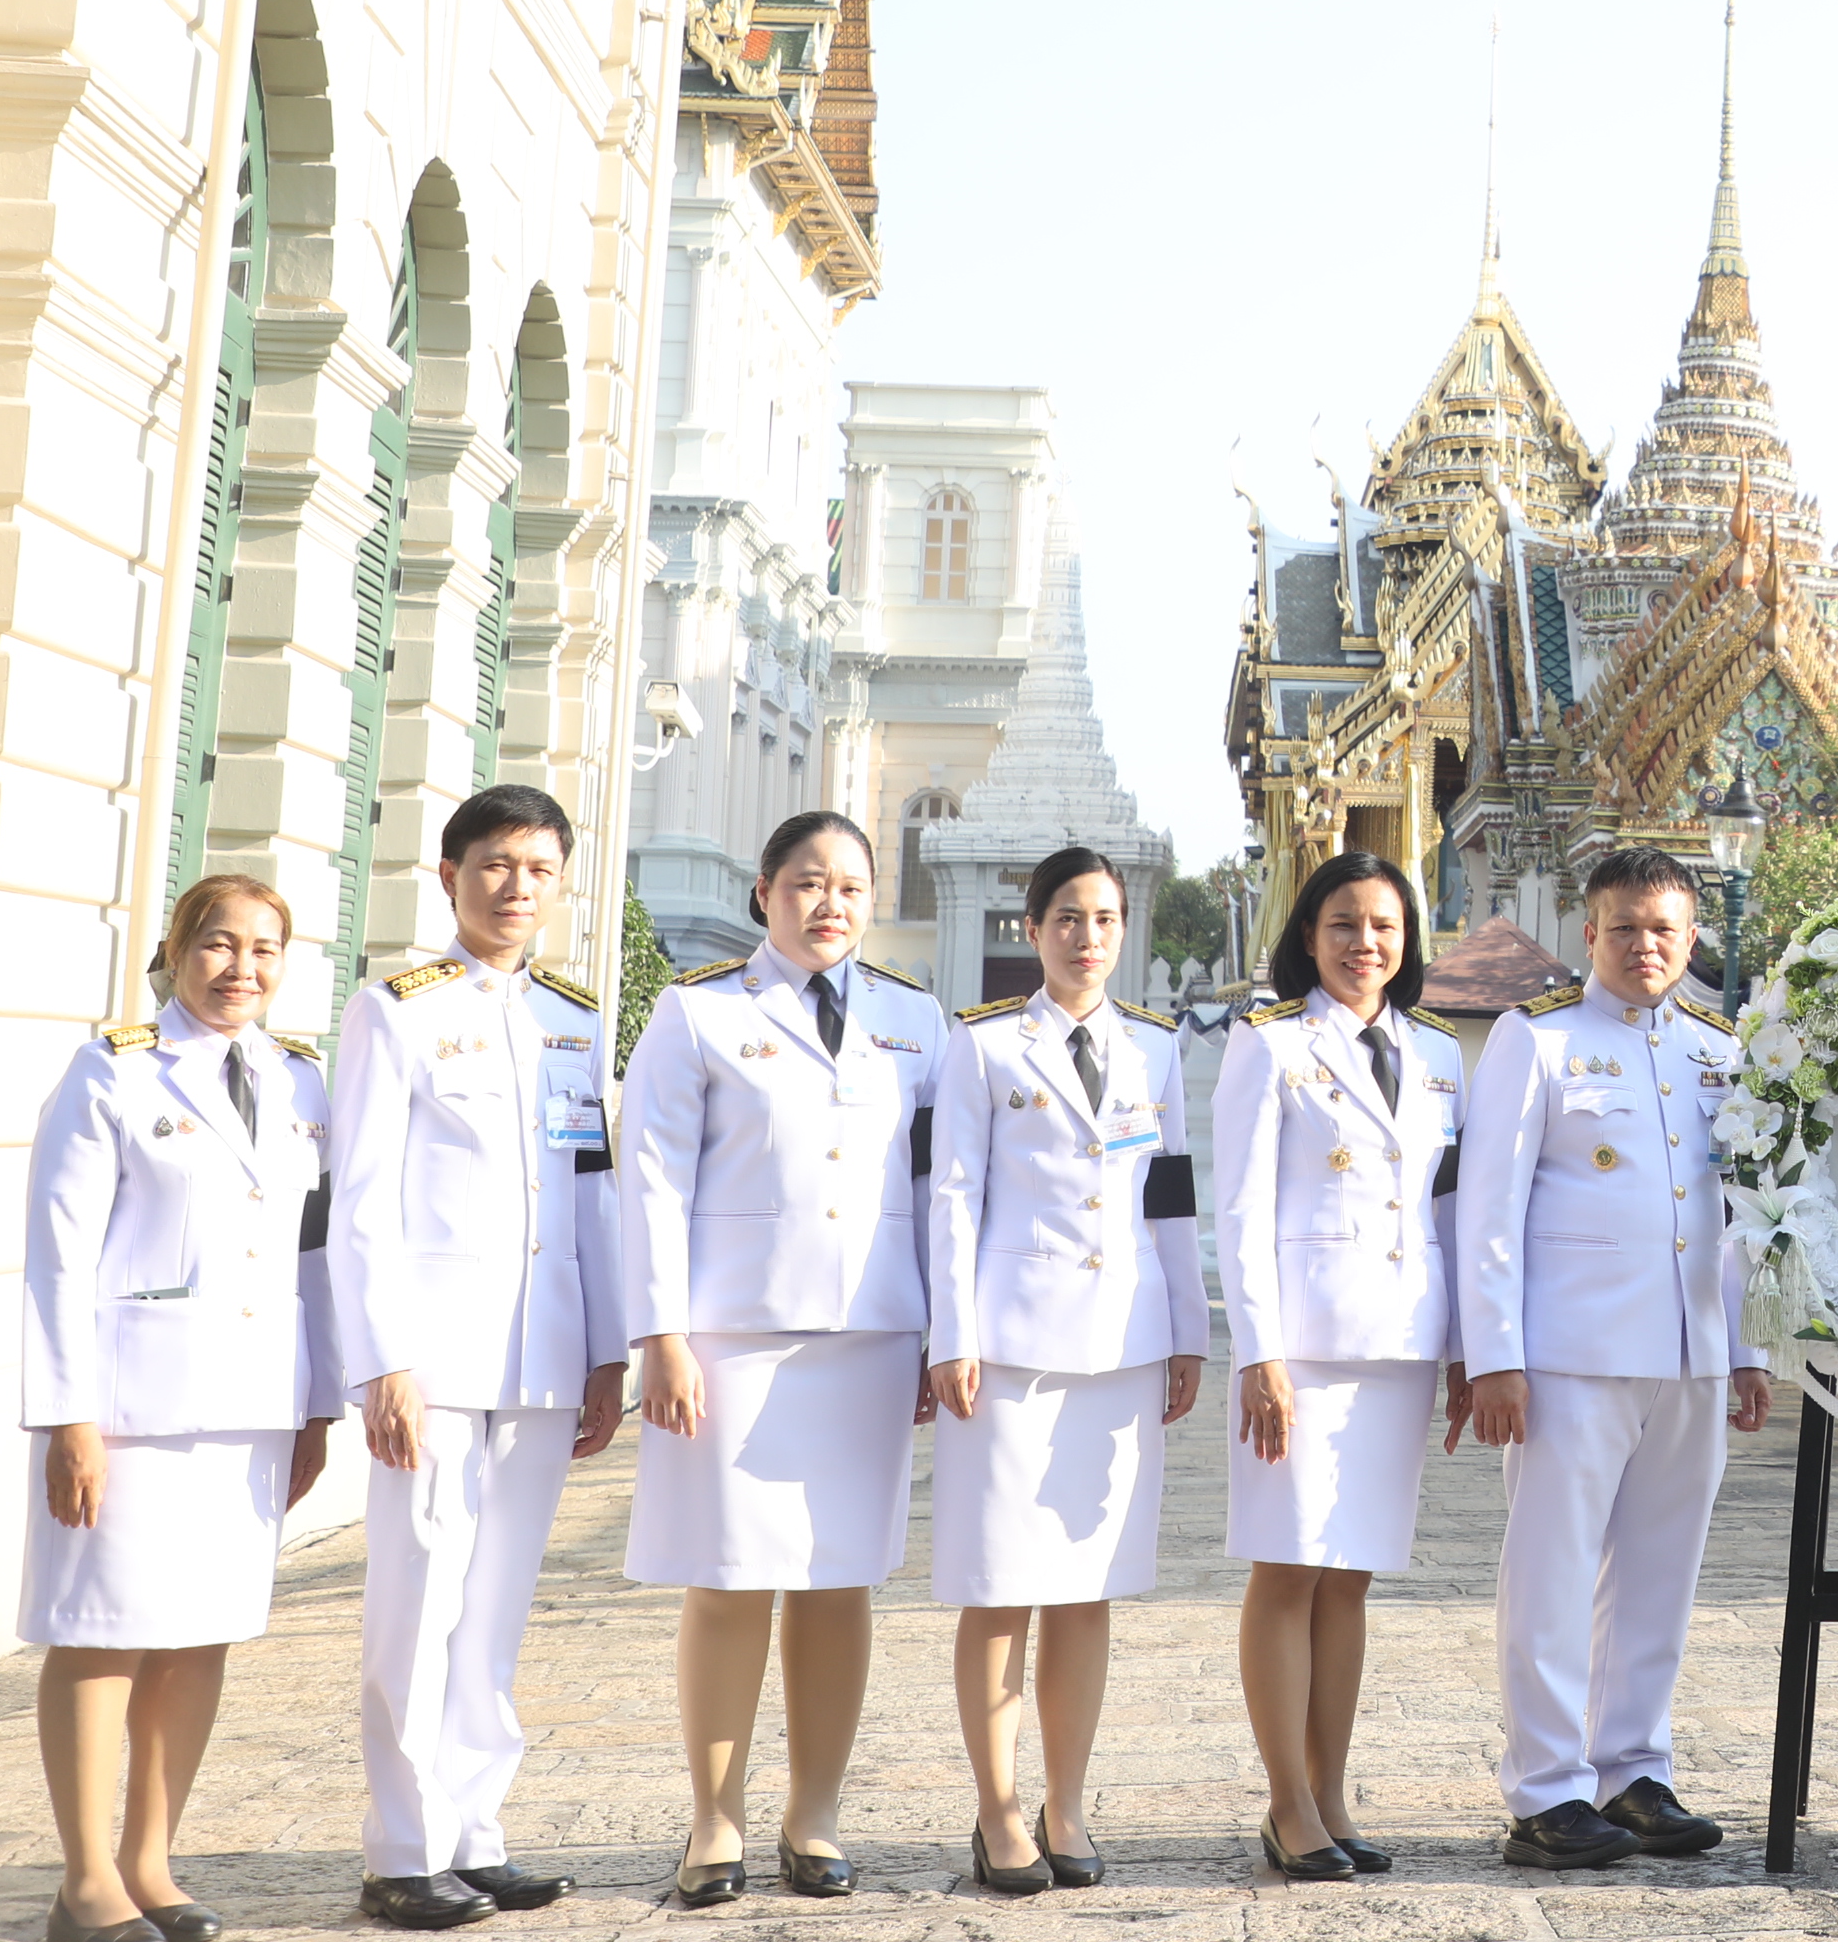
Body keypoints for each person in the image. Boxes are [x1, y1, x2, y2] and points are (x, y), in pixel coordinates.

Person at [617, 812, 945, 1903]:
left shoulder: (914, 1019)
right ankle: (714, 1821)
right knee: (728, 1579)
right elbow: (652, 1180)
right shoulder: (698, 1013)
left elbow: (945, 1191)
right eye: (808, 882)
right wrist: (659, 1333)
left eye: (850, 885)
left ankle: (814, 1817)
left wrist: (948, 1335)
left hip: (870, 1336)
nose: (831, 904)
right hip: (734, 1338)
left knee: (838, 1580)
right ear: (766, 892)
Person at [325, 785, 630, 1928]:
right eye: (496, 865)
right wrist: (382, 1361)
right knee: (417, 1600)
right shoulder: (394, 1010)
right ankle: (402, 1853)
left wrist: (606, 1351)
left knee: (495, 1607)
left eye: (540, 868)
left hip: (545, 1353)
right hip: (436, 1363)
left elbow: (590, 1194)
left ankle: (474, 1832)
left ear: (560, 885)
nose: (517, 887)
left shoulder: (572, 1017)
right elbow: (360, 1203)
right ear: (451, 875)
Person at [20, 876, 341, 1942]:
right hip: (129, 1413)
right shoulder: (109, 1070)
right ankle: (84, 1882)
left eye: (264, 948)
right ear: (175, 949)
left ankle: (150, 1862)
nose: (241, 968)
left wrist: (317, 1406)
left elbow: (313, 1255)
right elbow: (56, 1257)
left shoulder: (300, 1082)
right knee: (102, 1636)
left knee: (200, 1636)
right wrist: (68, 1416)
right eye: (217, 944)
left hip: (251, 1405)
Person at [1458, 847, 1771, 1870]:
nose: (1646, 946)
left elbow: (1740, 1216)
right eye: (1626, 927)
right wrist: (1493, 1355)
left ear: (1691, 940)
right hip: (1571, 1356)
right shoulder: (1536, 1040)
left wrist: (1750, 1345)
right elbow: (1489, 1211)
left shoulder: (1718, 1051)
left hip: (1691, 1351)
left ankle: (1633, 1770)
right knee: (1550, 1574)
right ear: (1591, 933)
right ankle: (1547, 1790)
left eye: (1666, 930)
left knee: (1659, 1573)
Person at [927, 846, 1209, 1895]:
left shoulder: (1156, 1050)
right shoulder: (987, 1047)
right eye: (1066, 919)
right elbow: (951, 1199)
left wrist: (1187, 1328)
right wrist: (949, 1334)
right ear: (1031, 929)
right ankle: (999, 1809)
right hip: (1008, 1351)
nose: (1086, 938)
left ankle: (1066, 1799)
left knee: (1089, 1590)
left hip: (1122, 1345)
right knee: (1001, 1588)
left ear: (1124, 930)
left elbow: (1169, 1196)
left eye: (1104, 919)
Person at [1214, 852, 1464, 1881]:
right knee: (1288, 1570)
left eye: (1385, 926)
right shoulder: (1270, 1045)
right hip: (1306, 1346)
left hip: (1400, 1343)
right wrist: (1259, 1353)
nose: (1366, 944)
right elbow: (1241, 1209)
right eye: (1344, 925)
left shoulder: (1440, 1053)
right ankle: (1286, 1803)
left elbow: (1451, 1212)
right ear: (1307, 937)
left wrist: (1465, 1354)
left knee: (1350, 1578)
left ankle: (1332, 1787)